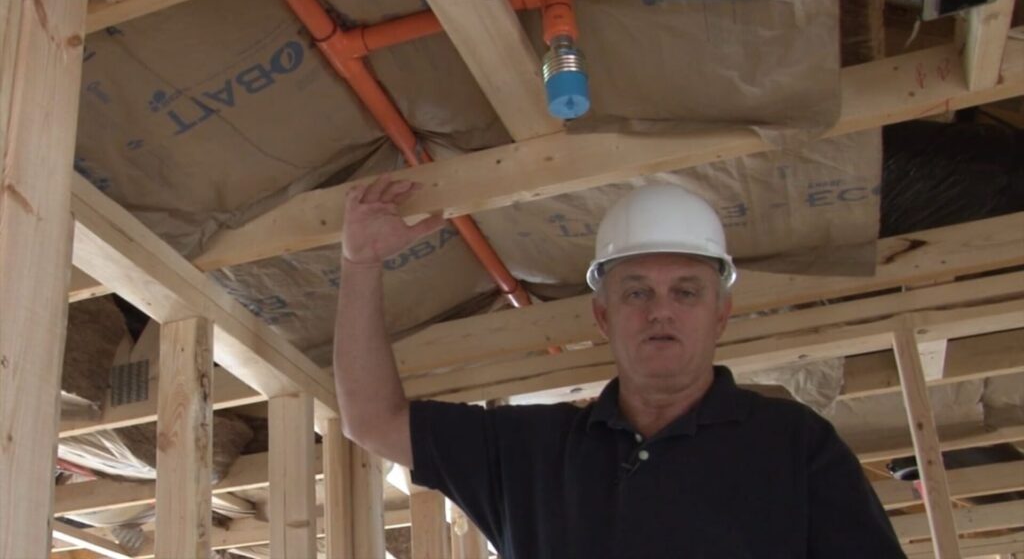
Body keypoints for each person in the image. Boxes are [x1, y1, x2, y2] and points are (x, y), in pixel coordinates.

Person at [334, 176, 906, 559]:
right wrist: (360, 264)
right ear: (603, 316)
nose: (661, 310)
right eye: (636, 292)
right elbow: (372, 419)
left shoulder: (794, 445)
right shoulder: (527, 453)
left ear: (721, 315)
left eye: (686, 291)